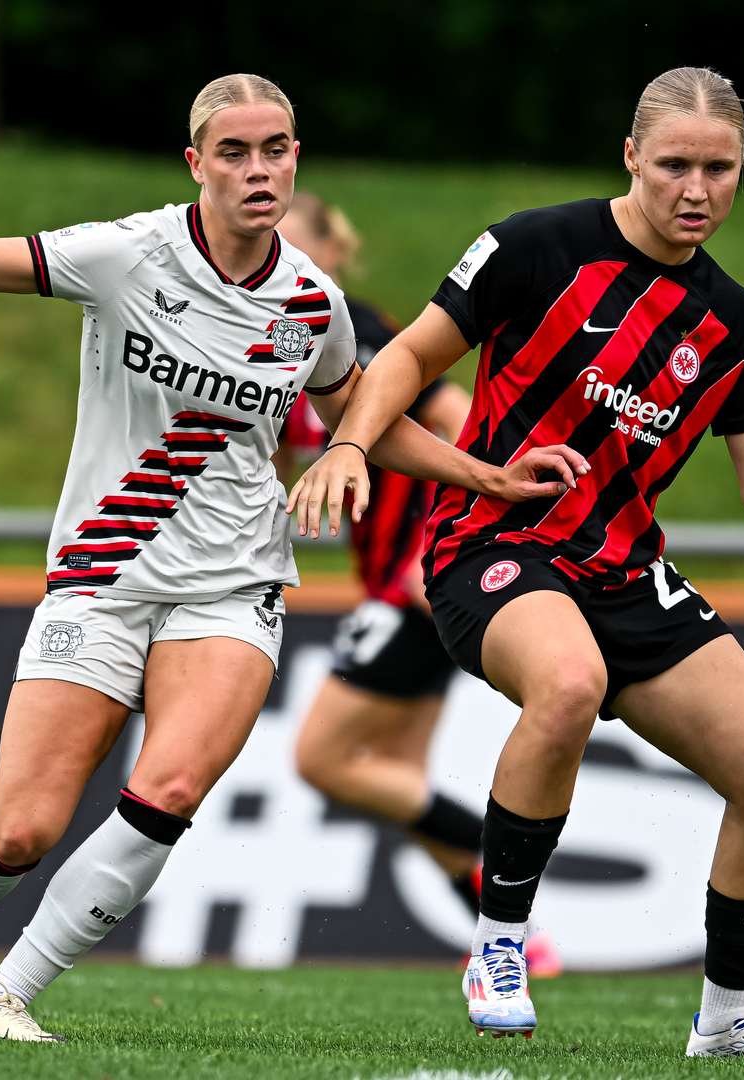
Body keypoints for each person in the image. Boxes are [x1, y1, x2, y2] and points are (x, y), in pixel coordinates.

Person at [0, 73, 581, 1043]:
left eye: (275, 149)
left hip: (235, 582)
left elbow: (364, 413)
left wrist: (484, 478)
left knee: (171, 790)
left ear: (296, 159)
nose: (258, 169)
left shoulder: (314, 305)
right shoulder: (126, 255)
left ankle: (7, 998)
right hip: (103, 575)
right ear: (196, 165)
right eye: (234, 152)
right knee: (20, 831)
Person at [287, 67, 744, 1060]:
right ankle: (499, 945)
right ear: (632, 157)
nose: (697, 188)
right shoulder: (530, 245)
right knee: (567, 683)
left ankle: (728, 1024)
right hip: (493, 546)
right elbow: (408, 360)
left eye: (719, 169)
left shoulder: (735, 323)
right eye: (675, 164)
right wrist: (348, 444)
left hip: (624, 572)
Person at [278, 193, 563, 975]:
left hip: (419, 581)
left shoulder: (350, 326)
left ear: (332, 256)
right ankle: (513, 937)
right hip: (414, 582)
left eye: (297, 247)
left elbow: (455, 409)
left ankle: (502, 851)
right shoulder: (274, 332)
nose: (282, 259)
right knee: (394, 779)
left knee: (323, 761)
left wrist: (442, 536)